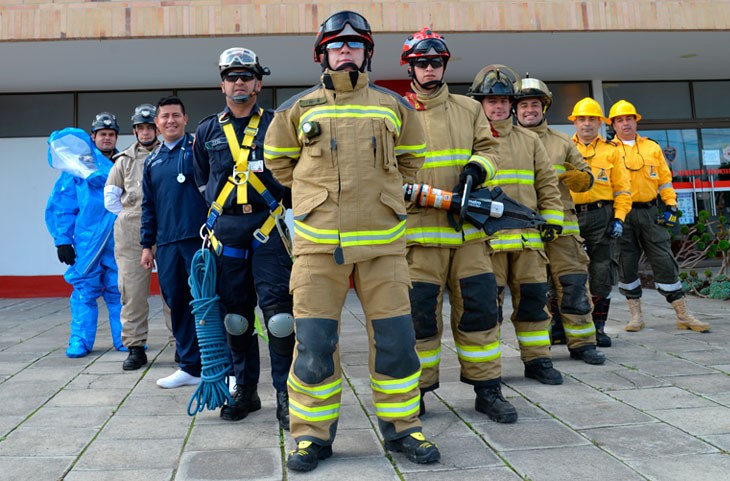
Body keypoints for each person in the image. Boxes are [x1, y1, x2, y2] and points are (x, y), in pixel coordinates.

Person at [264, 10, 440, 472]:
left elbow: (411, 158)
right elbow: (280, 165)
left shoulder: (392, 105)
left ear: (367, 53)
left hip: (384, 245)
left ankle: (405, 429)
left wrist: (380, 198)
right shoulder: (297, 110)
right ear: (323, 54)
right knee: (315, 343)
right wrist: (317, 199)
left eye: (355, 45)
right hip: (319, 246)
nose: (346, 51)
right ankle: (311, 437)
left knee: (397, 341)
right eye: (337, 46)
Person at [399, 28, 516, 423]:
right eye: (422, 63)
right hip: (419, 237)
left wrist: (474, 170)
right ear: (410, 66)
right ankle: (416, 393)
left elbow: (490, 150)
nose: (430, 69)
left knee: (481, 312)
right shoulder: (397, 110)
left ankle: (488, 390)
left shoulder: (469, 108)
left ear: (444, 65)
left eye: (436, 62)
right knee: (419, 320)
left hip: (468, 234)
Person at [193, 48, 295, 430]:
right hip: (226, 233)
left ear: (258, 82)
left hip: (268, 230)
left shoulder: (277, 125)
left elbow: (292, 176)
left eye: (246, 76)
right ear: (222, 84)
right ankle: (245, 391)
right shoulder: (206, 131)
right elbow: (203, 181)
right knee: (235, 319)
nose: (239, 82)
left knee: (280, 320)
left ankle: (286, 394)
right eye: (232, 76)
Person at [467, 65, 565, 385]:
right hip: (486, 243)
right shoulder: (471, 140)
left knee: (534, 304)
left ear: (512, 103)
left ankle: (538, 361)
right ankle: (489, 369)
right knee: (486, 309)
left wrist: (552, 219)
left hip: (528, 242)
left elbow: (547, 184)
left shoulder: (529, 140)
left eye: (504, 100)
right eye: (491, 101)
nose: (498, 106)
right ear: (480, 104)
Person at [514, 79, 605, 365]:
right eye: (524, 105)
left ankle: (583, 344)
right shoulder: (504, 143)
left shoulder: (562, 142)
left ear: (545, 107)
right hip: (525, 230)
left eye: (535, 104)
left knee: (574, 285)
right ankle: (539, 352)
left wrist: (581, 178)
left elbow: (586, 177)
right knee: (533, 291)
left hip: (564, 230)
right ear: (515, 110)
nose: (529, 110)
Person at [609, 100, 710, 333]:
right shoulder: (608, 150)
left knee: (664, 259)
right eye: (620, 120)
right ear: (612, 125)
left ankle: (683, 314)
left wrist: (671, 205)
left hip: (651, 212)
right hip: (621, 213)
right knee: (626, 262)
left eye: (629, 119)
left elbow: (665, 180)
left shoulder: (652, 147)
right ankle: (636, 316)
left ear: (636, 121)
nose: (625, 124)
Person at [141, 96, 207, 388]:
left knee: (207, 303)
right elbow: (148, 206)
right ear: (156, 123)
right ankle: (190, 367)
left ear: (185, 118)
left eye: (175, 115)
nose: (170, 120)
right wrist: (147, 245)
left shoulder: (197, 150)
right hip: (167, 245)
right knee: (177, 303)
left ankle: (222, 365)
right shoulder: (152, 161)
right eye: (164, 116)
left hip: (199, 239)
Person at [45, 113, 124, 358]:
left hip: (118, 238)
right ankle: (80, 340)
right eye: (103, 134)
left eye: (111, 134)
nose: (107, 138)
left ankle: (127, 339)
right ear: (93, 137)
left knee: (119, 290)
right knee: (83, 290)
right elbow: (63, 205)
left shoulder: (124, 164)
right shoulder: (77, 168)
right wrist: (62, 240)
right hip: (88, 240)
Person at [105, 104, 171, 371]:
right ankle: (135, 346)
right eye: (140, 128)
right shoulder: (123, 160)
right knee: (131, 291)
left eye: (149, 127)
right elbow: (110, 199)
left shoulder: (172, 154)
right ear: (134, 131)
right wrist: (135, 215)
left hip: (168, 227)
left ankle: (181, 344)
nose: (145, 132)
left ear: (157, 127)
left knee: (175, 289)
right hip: (132, 230)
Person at [568, 97, 632, 347]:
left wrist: (618, 218)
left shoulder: (612, 151)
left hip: (601, 216)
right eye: (582, 119)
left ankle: (598, 327)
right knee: (565, 272)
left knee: (601, 272)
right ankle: (563, 326)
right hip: (569, 215)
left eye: (591, 119)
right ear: (574, 122)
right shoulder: (563, 148)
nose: (586, 124)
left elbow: (623, 190)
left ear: (599, 123)